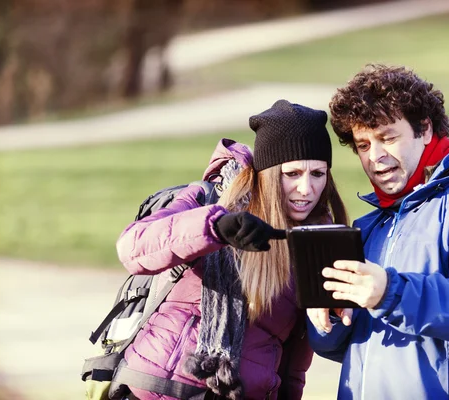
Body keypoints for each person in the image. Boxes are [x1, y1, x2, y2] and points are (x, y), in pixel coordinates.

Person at [306, 64, 449, 399]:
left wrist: (390, 292)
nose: (375, 157)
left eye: (387, 138)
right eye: (362, 145)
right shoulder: (373, 224)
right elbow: (365, 351)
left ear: (425, 129)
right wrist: (330, 312)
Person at [116, 99, 349, 400]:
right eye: (292, 174)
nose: (306, 189)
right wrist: (215, 228)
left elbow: (294, 363)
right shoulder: (209, 198)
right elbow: (132, 247)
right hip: (158, 390)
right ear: (268, 173)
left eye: (317, 174)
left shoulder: (315, 243)